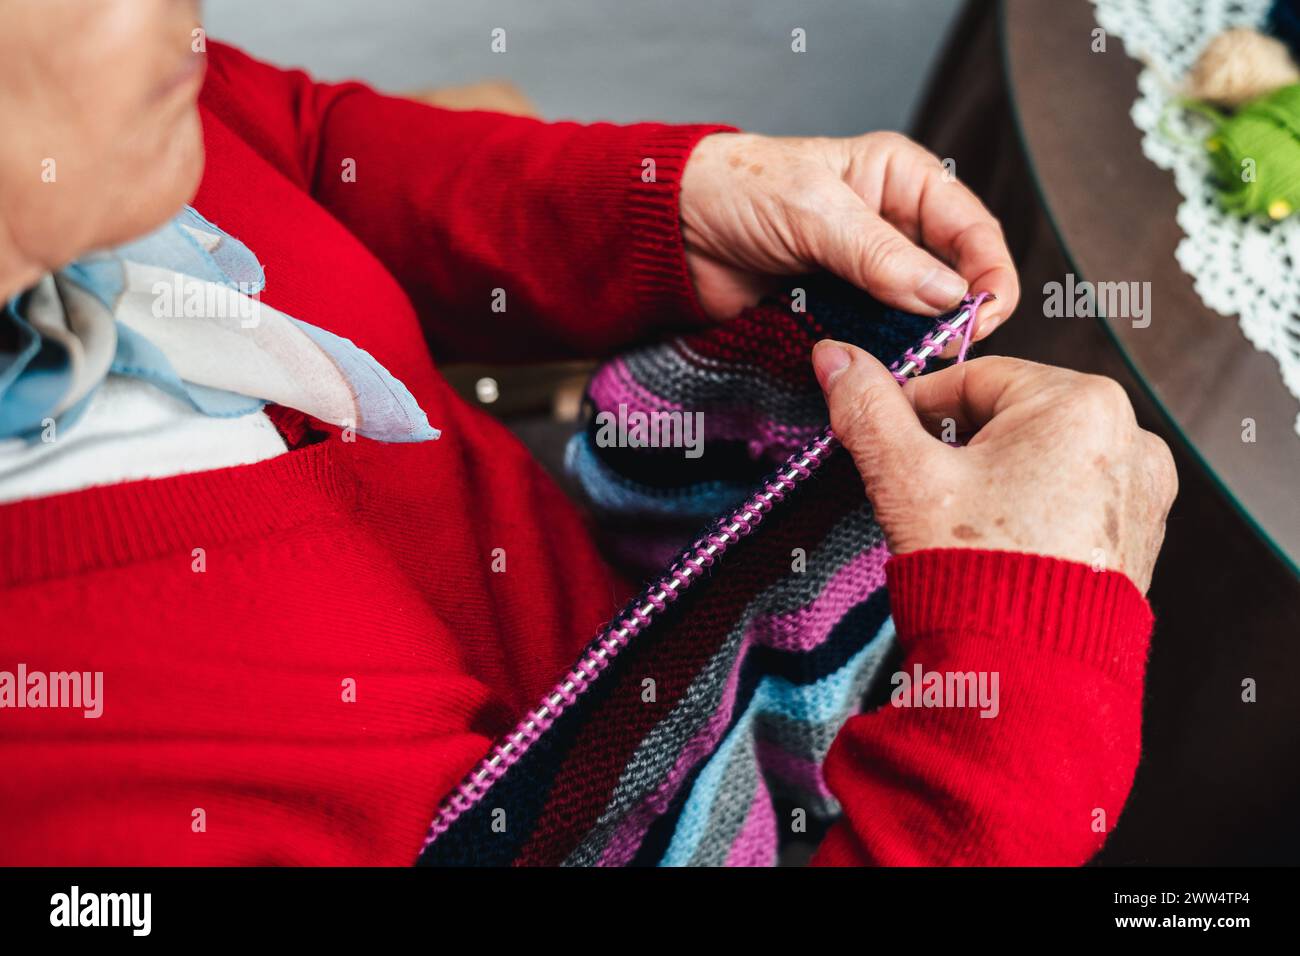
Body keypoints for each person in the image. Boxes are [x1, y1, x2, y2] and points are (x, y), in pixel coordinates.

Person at [0, 0, 1175, 865]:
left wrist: (652, 208)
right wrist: (1028, 682)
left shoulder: (110, 129)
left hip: (598, 609)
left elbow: (293, 148)